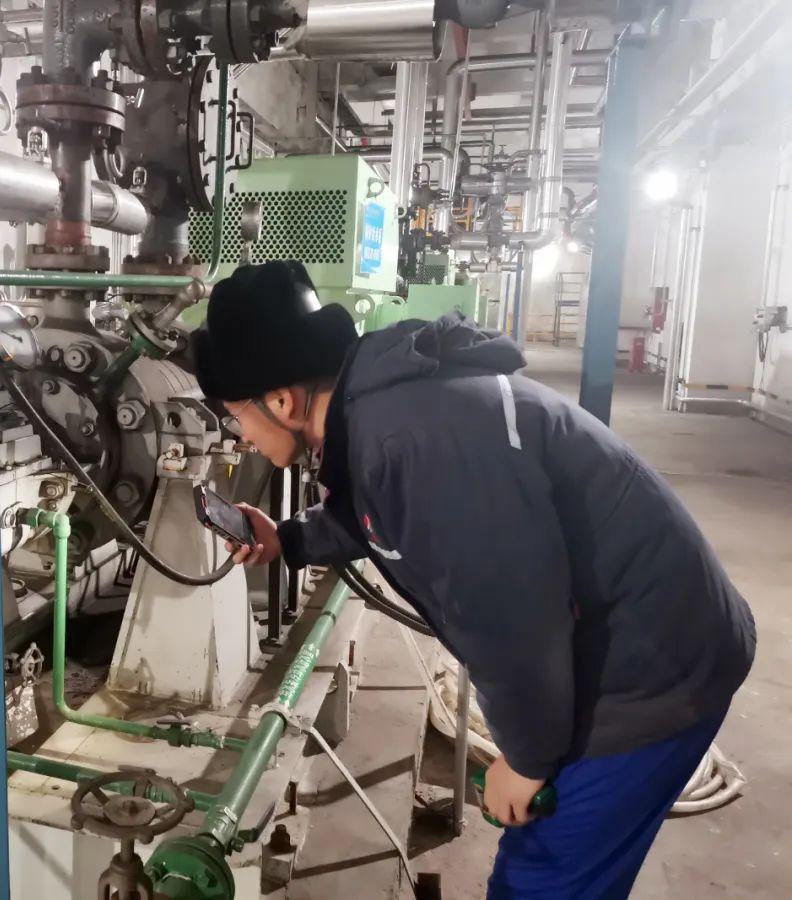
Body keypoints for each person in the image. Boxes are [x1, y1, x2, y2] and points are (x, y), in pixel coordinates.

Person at [191, 260, 756, 899]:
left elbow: (514, 623)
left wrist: (527, 758)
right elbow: (379, 512)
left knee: (540, 881)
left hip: (650, 671)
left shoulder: (418, 441)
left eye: (235, 416)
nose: (240, 435)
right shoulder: (386, 409)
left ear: (282, 401)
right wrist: (289, 539)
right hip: (646, 635)